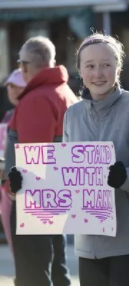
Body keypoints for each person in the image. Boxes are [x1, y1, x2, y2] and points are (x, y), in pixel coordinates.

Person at [67, 33, 129, 286]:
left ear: (118, 68)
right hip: (88, 244)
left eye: (106, 64)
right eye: (90, 66)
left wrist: (125, 178)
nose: (98, 73)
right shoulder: (72, 115)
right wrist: (25, 184)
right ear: (80, 71)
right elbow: (63, 176)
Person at [5, 36, 77, 286]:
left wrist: (12, 189)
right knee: (57, 265)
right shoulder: (65, 92)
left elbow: (33, 156)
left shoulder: (36, 98)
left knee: (32, 272)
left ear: (24, 66)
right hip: (58, 194)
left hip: (33, 197)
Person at [0, 69, 26, 257]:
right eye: (10, 86)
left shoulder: (32, 113)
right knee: (15, 249)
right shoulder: (8, 114)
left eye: (18, 86)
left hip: (25, 188)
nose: (13, 90)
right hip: (5, 189)